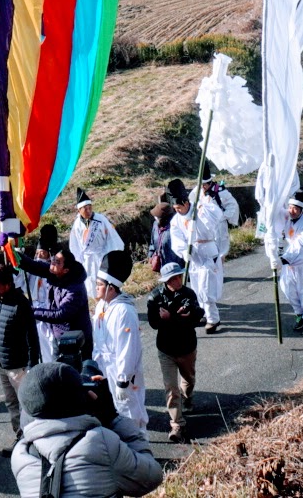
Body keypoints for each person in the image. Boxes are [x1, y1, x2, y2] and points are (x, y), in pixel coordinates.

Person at [10, 363, 164, 498]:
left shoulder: (20, 454)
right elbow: (152, 476)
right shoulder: (99, 442)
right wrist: (111, 416)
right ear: (79, 398)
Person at [145, 262, 203, 443]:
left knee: (189, 379)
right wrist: (172, 319)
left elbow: (196, 318)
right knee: (171, 387)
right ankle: (177, 424)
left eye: (179, 276)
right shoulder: (154, 297)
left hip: (187, 347)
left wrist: (173, 318)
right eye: (173, 278)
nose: (178, 280)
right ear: (166, 281)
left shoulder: (189, 294)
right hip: (166, 349)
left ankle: (188, 398)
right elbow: (154, 323)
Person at [90, 250, 147, 430]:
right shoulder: (101, 306)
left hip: (121, 371)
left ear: (111, 288)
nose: (96, 287)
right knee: (112, 412)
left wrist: (123, 379)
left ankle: (141, 446)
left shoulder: (124, 311)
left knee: (129, 411)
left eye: (99, 285)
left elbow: (128, 348)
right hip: (104, 368)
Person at [0, 263, 42, 439]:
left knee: (26, 403)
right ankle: (20, 436)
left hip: (18, 365)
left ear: (8, 285)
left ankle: (34, 438)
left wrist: (32, 363)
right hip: (1, 362)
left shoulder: (21, 304)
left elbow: (32, 336)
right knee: (11, 402)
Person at [16, 238, 93, 362]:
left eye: (57, 262)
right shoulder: (55, 271)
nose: (52, 262)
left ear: (66, 270)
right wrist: (14, 253)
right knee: (58, 372)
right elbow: (33, 266)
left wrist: (32, 312)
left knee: (76, 376)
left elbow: (60, 314)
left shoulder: (75, 289)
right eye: (53, 259)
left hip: (76, 340)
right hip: (59, 336)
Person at [167, 177, 228, 332]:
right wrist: (184, 251)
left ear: (186, 203)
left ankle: (213, 320)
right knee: (196, 289)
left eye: (179, 207)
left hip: (208, 252)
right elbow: (177, 239)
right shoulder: (176, 220)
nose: (177, 211)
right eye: (175, 208)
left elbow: (216, 219)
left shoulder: (200, 208)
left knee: (206, 289)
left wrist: (200, 216)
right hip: (193, 256)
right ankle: (202, 313)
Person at [275, 192, 303, 336]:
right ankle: (299, 314)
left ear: (302, 209)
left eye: (295, 208)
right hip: (289, 260)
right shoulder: (287, 218)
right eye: (290, 207)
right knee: (288, 288)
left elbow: (300, 246)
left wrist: (283, 259)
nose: (292, 211)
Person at [69, 189, 125, 295]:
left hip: (101, 255)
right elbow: (74, 244)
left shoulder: (100, 219)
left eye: (90, 208)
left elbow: (111, 237)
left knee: (106, 280)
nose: (89, 211)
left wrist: (110, 254)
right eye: (85, 209)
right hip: (87, 259)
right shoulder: (76, 225)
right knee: (91, 283)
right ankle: (97, 302)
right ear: (79, 210)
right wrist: (78, 259)